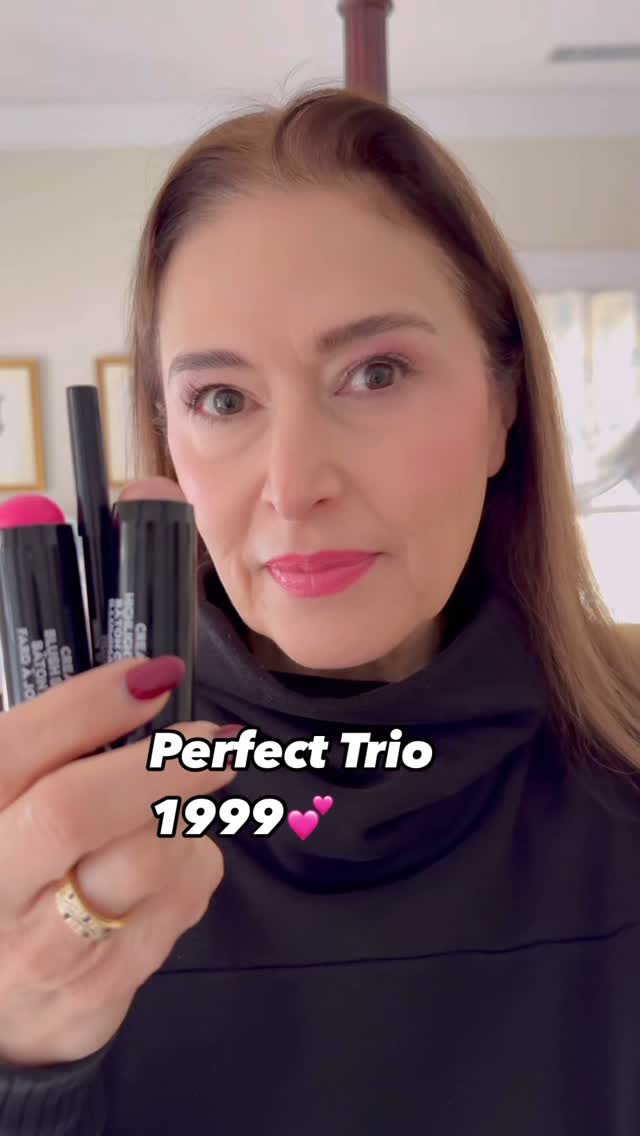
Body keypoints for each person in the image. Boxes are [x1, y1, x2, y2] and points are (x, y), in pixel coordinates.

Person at [0, 85, 639, 1136]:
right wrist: (22, 1066)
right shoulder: (59, 836)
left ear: (503, 403)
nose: (292, 487)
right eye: (222, 399)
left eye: (374, 373)